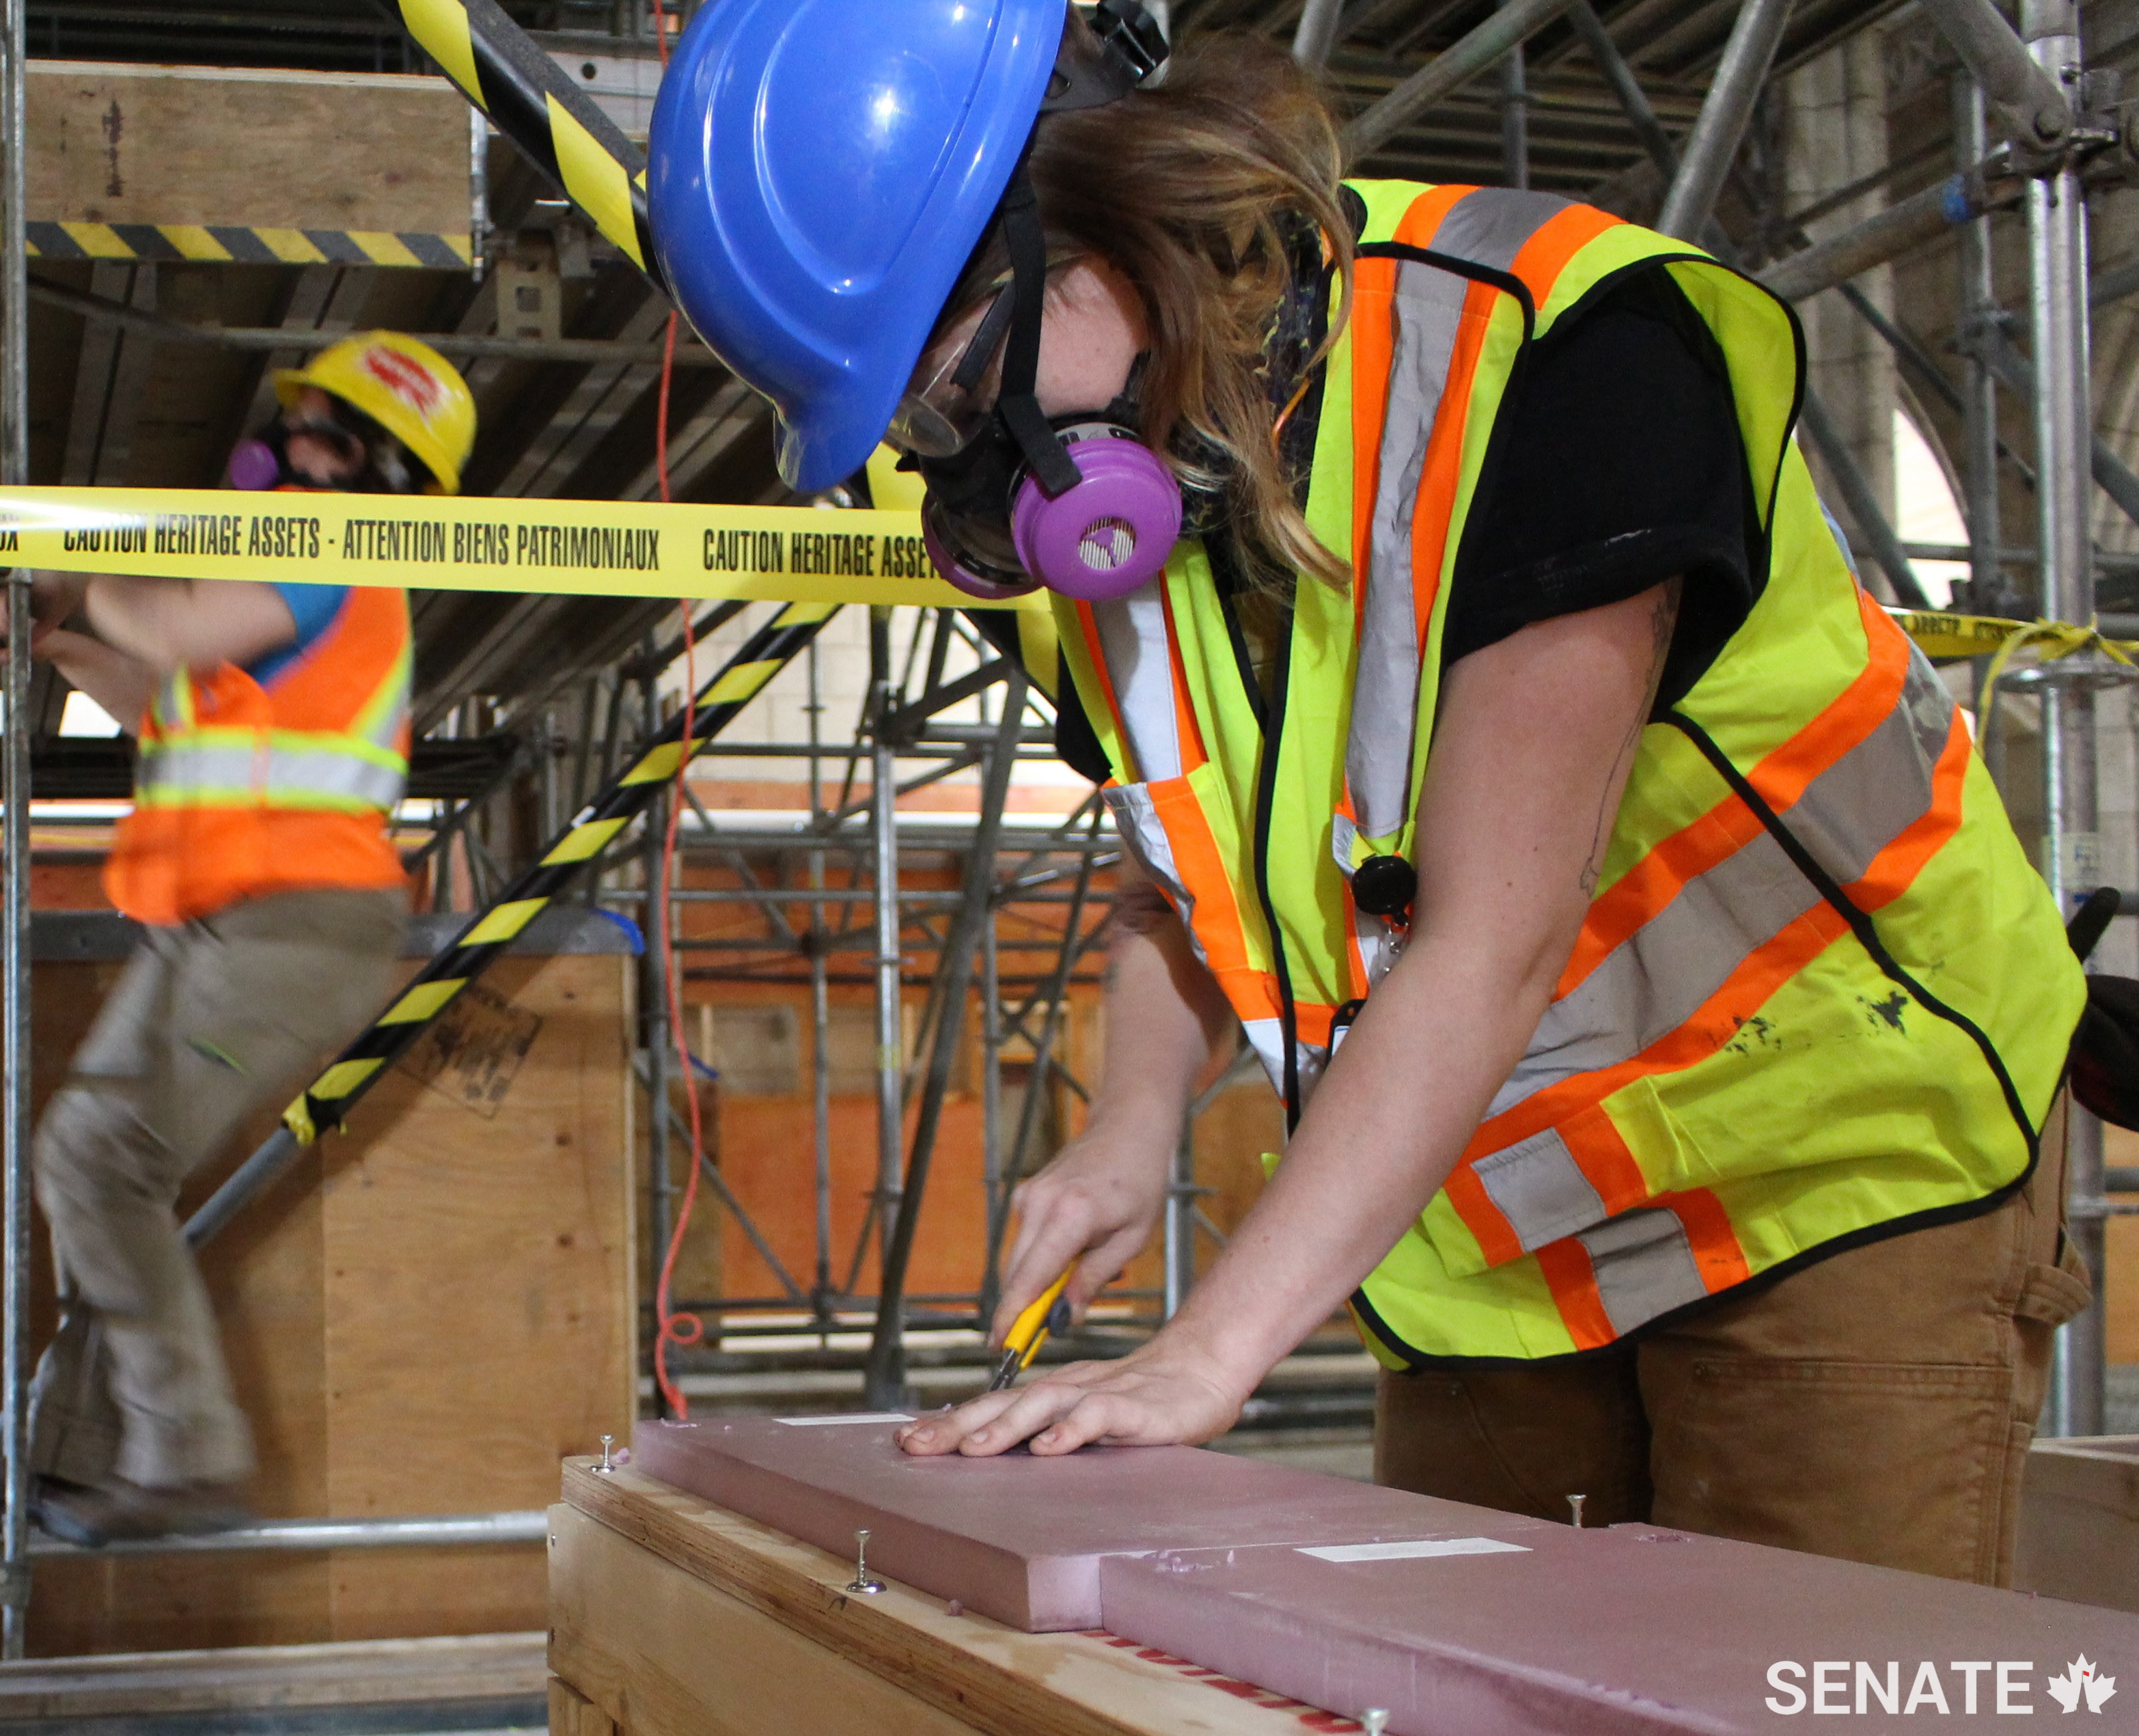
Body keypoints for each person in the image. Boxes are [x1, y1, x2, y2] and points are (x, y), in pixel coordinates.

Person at [646, 0, 2093, 1584]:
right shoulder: (1131, 507)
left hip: (1825, 1174)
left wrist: (1205, 1350)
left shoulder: (1557, 357)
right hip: (1482, 1250)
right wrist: (1129, 1123)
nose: (966, 476)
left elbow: (1491, 938)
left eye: (951, 396)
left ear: (1095, 215)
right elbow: (1180, 881)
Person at [0, 334, 477, 1543]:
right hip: (212, 925)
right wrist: (62, 637)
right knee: (93, 1167)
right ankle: (64, 1452)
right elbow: (158, 695)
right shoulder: (279, 596)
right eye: (298, 423)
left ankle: (186, 1453)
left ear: (382, 477)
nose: (287, 450)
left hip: (295, 926)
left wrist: (62, 555)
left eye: (326, 434)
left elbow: (169, 632)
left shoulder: (335, 552)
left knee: (98, 1158)